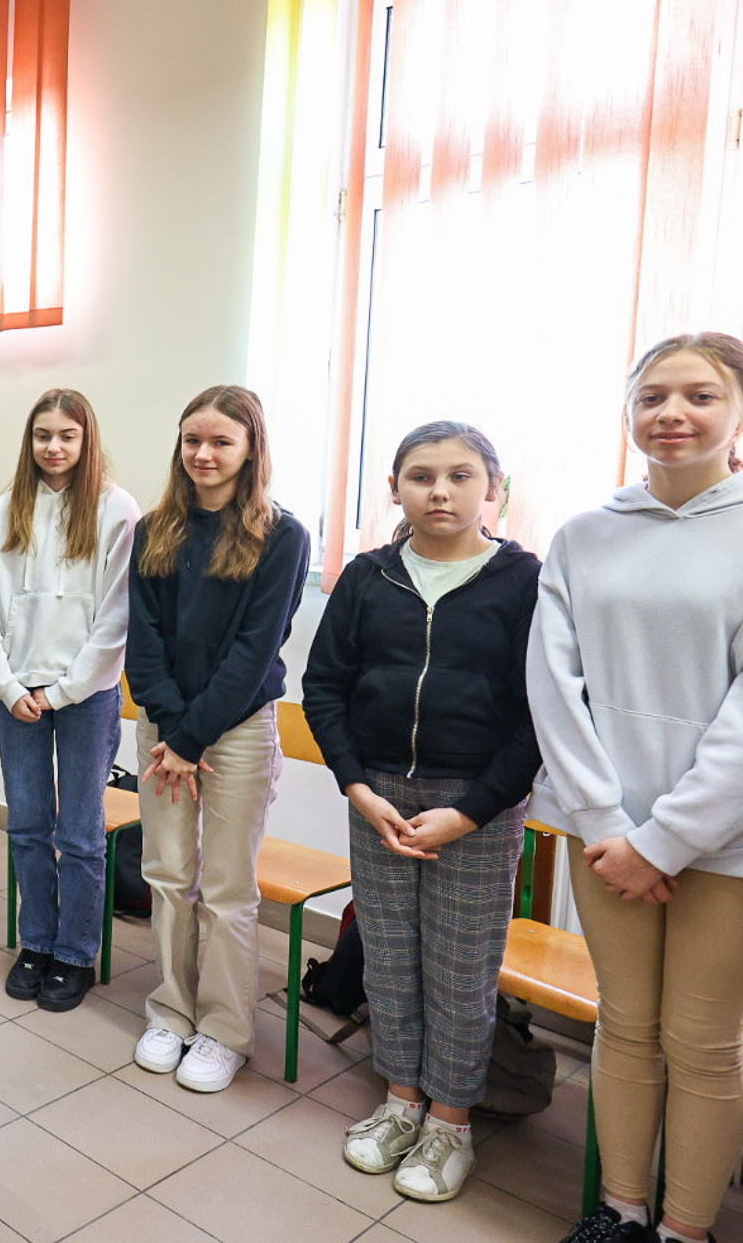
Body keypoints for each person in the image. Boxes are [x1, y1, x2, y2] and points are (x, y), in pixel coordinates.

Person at [529, 333, 743, 1243]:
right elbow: (554, 686)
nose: (672, 413)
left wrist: (666, 839)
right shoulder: (584, 535)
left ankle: (685, 1230)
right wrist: (606, 823)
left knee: (704, 1043)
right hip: (604, 833)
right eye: (652, 396)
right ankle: (620, 1211)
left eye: (700, 394)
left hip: (724, 841)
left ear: (737, 412)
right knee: (624, 1024)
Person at [303, 422, 539, 1203]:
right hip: (379, 796)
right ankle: (401, 1099)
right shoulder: (368, 576)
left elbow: (538, 714)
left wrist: (470, 811)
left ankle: (450, 1122)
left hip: (478, 804)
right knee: (390, 958)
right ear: (396, 489)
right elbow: (324, 686)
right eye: (421, 475)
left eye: (461, 475)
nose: (440, 490)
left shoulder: (525, 581)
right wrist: (356, 786)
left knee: (462, 971)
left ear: (493, 489)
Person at [125, 384, 309, 1094]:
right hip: (166, 729)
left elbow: (255, 650)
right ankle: (170, 1011)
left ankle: (224, 1030)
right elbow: (144, 639)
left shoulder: (282, 535)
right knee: (169, 875)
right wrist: (174, 730)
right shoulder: (154, 528)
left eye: (221, 442)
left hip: (236, 729)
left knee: (229, 889)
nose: (203, 454)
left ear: (250, 449)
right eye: (192, 440)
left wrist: (193, 735)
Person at [0, 389, 138, 1013]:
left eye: (67, 435)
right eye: (43, 435)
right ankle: (36, 943)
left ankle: (74, 954)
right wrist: (9, 686)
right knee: (27, 826)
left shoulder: (116, 509)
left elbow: (116, 619)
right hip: (17, 695)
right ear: (30, 440)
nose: (54, 446)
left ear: (86, 439)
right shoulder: (4, 509)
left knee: (81, 833)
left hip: (85, 697)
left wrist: (64, 690)